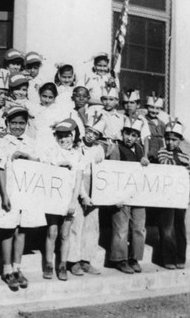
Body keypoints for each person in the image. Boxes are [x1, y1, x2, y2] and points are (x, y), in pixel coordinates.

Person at [0, 105, 45, 291]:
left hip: (26, 192)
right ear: (7, 123)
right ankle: (6, 270)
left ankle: (17, 267)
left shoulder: (32, 142)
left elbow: (38, 164)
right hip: (10, 191)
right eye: (13, 123)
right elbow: (1, 169)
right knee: (8, 229)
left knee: (22, 229)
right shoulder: (3, 142)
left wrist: (26, 156)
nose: (17, 126)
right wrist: (4, 194)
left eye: (21, 123)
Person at [41, 119, 86, 281]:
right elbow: (45, 171)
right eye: (60, 135)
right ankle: (48, 264)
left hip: (68, 199)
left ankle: (62, 265)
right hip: (53, 198)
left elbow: (78, 181)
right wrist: (58, 167)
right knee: (52, 231)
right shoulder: (50, 152)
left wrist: (73, 202)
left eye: (67, 135)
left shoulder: (78, 155)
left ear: (73, 136)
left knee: (65, 234)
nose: (63, 139)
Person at [108, 116, 149, 274]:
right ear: (122, 133)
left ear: (138, 137)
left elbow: (145, 173)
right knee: (121, 227)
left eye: (133, 135)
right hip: (122, 196)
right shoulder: (116, 148)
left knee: (139, 227)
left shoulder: (139, 149)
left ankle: (134, 258)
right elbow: (112, 173)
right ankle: (120, 259)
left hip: (138, 195)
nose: (129, 138)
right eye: (127, 134)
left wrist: (145, 162)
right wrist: (115, 196)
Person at [67, 114, 106, 276]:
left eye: (95, 134)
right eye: (89, 131)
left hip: (94, 187)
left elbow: (102, 170)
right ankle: (73, 260)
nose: (90, 135)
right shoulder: (77, 147)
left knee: (91, 225)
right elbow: (78, 173)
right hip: (78, 186)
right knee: (76, 224)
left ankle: (86, 259)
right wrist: (83, 194)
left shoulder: (98, 149)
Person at [157, 119, 190, 270]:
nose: (170, 143)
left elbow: (189, 174)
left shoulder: (185, 156)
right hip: (167, 197)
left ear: (180, 140)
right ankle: (168, 258)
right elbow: (165, 164)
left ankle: (180, 258)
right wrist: (180, 164)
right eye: (168, 139)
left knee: (179, 226)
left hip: (180, 196)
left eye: (174, 140)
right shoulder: (162, 152)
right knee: (167, 228)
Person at [121, 89, 151, 164]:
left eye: (132, 102)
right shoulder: (120, 118)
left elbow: (145, 139)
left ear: (138, 105)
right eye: (126, 103)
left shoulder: (142, 120)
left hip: (136, 149)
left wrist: (145, 156)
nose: (128, 105)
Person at [98, 82, 124, 153]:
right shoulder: (98, 114)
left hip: (116, 145)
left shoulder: (121, 117)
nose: (107, 102)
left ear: (117, 101)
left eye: (111, 99)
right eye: (105, 99)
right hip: (101, 144)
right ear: (101, 100)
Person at [145, 93, 168, 162]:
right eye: (151, 107)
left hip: (161, 152)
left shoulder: (162, 124)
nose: (154, 110)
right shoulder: (143, 121)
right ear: (147, 107)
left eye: (157, 108)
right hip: (149, 150)